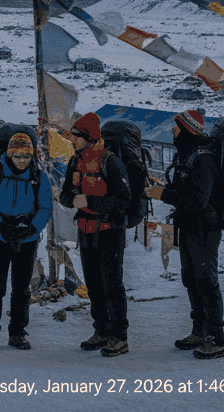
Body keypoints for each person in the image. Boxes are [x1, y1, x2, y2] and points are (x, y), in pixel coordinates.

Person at [145, 109, 224, 359]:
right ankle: (199, 331)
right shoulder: (187, 156)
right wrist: (162, 188)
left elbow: (198, 201)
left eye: (177, 127)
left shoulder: (203, 160)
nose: (173, 130)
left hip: (204, 228)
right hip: (187, 227)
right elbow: (184, 192)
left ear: (188, 130)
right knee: (190, 279)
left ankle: (217, 339)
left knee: (207, 282)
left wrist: (163, 195)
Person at [59, 112, 132, 357]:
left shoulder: (110, 161)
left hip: (109, 232)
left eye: (77, 136)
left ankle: (119, 337)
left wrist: (89, 201)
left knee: (112, 286)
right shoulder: (75, 161)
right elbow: (65, 194)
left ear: (89, 138)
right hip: (85, 231)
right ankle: (101, 330)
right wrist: (71, 200)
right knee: (93, 285)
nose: (73, 140)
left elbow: (123, 199)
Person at [0, 129, 53, 351]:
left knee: (21, 288)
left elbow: (45, 207)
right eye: (18, 156)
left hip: (27, 239)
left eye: (26, 156)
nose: (22, 161)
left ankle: (17, 333)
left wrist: (32, 229)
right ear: (9, 154)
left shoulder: (39, 176)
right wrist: (0, 226)